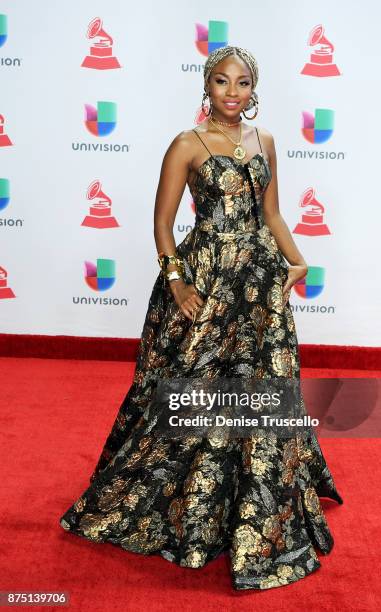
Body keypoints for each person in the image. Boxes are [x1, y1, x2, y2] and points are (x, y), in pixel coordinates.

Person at [59, 46, 343, 591]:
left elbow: (272, 213)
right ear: (206, 87)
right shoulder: (186, 145)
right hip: (207, 283)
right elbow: (162, 224)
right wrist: (178, 281)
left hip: (259, 287)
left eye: (241, 83)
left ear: (253, 89)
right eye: (221, 81)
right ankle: (190, 505)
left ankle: (255, 508)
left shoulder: (267, 142)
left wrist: (298, 259)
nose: (231, 92)